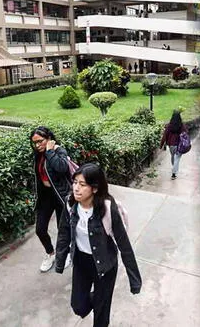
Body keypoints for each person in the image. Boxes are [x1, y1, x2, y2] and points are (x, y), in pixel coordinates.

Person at [55, 163, 141, 327]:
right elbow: (63, 234)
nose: (76, 189)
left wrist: (134, 279)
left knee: (101, 315)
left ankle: (102, 298)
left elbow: (124, 245)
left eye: (82, 184)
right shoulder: (70, 204)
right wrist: (60, 261)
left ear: (94, 188)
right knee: (79, 307)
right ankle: (99, 297)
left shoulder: (108, 209)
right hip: (82, 262)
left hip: (105, 266)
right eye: (75, 183)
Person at [30, 126, 73, 273]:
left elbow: (61, 167)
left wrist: (49, 151)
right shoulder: (37, 154)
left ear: (48, 138)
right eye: (34, 143)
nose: (37, 145)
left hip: (60, 195)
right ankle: (50, 253)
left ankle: (65, 253)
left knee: (63, 230)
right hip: (45, 197)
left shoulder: (59, 150)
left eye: (40, 141)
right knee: (40, 229)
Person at [160, 109, 188, 180]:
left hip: (171, 145)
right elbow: (185, 134)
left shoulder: (169, 126)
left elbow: (164, 135)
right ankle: (173, 173)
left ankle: (173, 168)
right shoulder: (181, 126)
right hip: (179, 145)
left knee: (173, 157)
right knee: (177, 159)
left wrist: (161, 145)